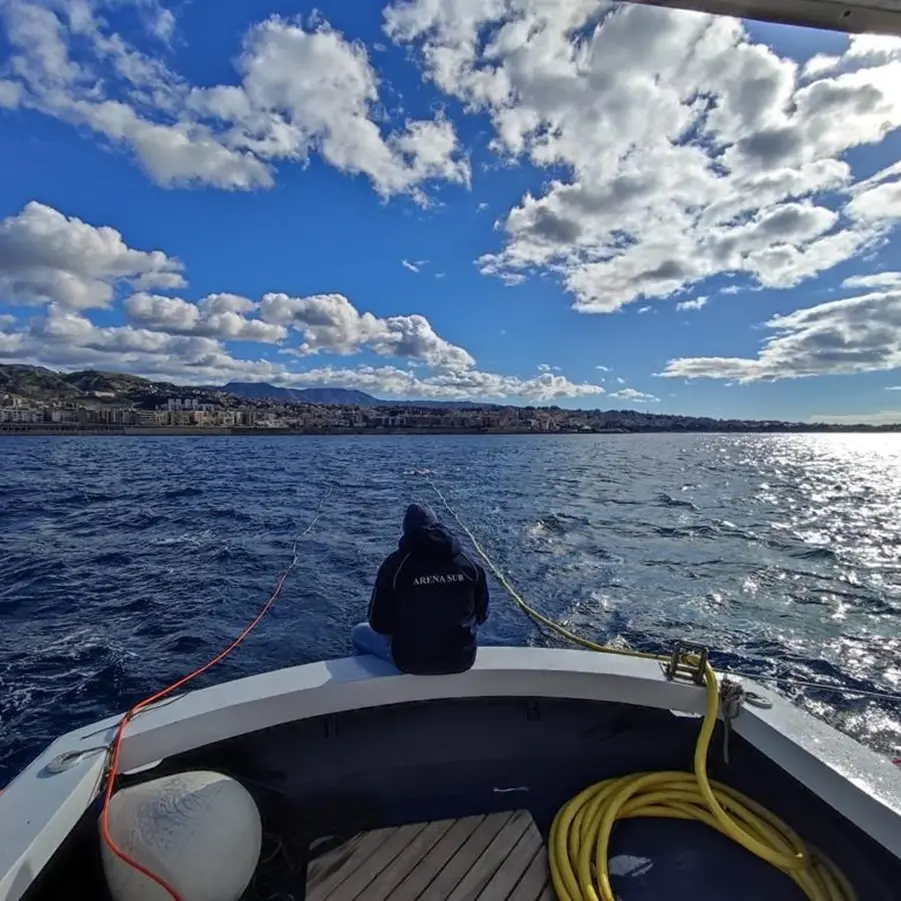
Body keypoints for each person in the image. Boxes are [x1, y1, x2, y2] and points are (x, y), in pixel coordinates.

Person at [352, 503, 489, 674]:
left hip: (410, 662)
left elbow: (379, 623)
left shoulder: (395, 565)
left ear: (407, 530)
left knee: (358, 633)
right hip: (463, 659)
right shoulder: (469, 563)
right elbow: (481, 616)